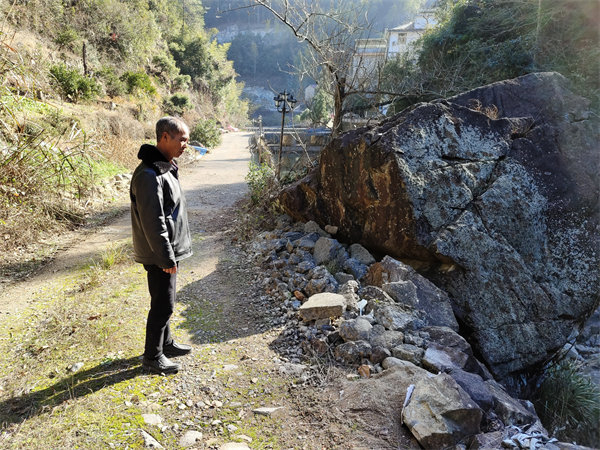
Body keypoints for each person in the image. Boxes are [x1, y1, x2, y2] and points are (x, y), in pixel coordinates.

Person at [130, 116, 193, 374]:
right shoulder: (148, 174)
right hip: (159, 253)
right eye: (182, 139)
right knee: (163, 304)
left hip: (166, 250)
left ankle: (165, 344)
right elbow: (154, 221)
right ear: (164, 137)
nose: (186, 145)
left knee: (165, 299)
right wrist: (166, 258)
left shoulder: (164, 167)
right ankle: (152, 357)